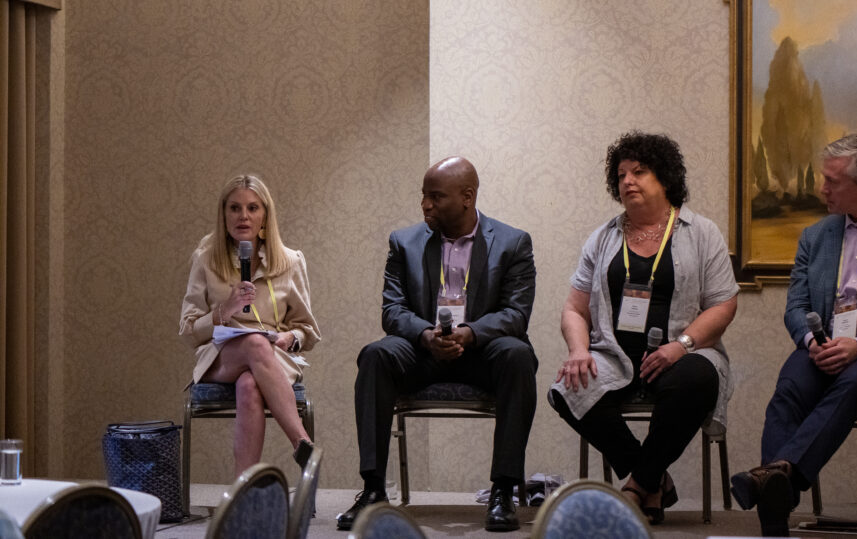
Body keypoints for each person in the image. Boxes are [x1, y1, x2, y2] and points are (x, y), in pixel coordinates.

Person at [730, 134, 857, 537]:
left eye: (832, 181)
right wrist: (813, 343)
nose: (821, 188)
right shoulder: (814, 236)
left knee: (853, 382)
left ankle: (774, 477)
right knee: (788, 389)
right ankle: (777, 510)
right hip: (823, 348)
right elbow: (795, 307)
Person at [336, 157, 537, 533]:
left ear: (467, 196)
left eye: (435, 196)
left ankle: (503, 491)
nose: (425, 205)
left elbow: (516, 313)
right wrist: (427, 336)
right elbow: (392, 310)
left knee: (518, 354)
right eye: (423, 196)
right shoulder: (404, 242)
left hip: (481, 352)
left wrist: (471, 333)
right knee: (376, 355)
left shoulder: (512, 243)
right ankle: (374, 489)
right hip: (422, 351)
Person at [549, 131, 739, 525]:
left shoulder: (702, 233)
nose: (627, 181)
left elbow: (723, 304)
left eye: (639, 171)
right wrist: (579, 351)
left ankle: (638, 486)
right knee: (568, 386)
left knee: (697, 379)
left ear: (665, 178)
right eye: (620, 175)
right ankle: (651, 482)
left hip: (681, 355)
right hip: (614, 356)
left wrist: (682, 345)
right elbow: (574, 308)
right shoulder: (603, 238)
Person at [180, 174, 320, 476]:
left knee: (248, 384)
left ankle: (245, 491)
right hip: (220, 358)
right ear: (224, 215)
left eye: (253, 208)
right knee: (254, 344)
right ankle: (301, 443)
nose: (243, 216)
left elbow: (307, 331)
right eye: (234, 208)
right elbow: (189, 331)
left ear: (265, 216)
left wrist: (287, 338)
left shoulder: (290, 261)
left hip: (273, 358)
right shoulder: (205, 260)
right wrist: (223, 311)